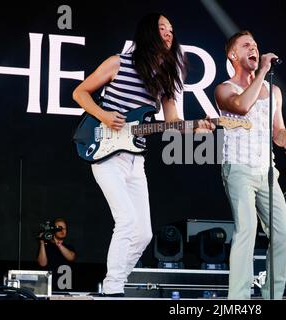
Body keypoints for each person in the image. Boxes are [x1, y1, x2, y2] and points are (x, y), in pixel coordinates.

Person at [72, 13, 214, 297]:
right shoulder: (118, 62)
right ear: (148, 33)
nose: (169, 33)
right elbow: (80, 92)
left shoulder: (165, 79)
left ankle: (114, 284)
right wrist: (103, 114)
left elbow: (173, 123)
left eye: (172, 29)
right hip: (104, 151)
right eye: (162, 28)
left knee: (144, 233)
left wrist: (199, 128)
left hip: (136, 159)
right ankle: (113, 290)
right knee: (125, 220)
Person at [214, 30, 286, 299]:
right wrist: (262, 70)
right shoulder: (225, 88)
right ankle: (238, 299)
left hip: (267, 172)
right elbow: (240, 106)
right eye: (246, 45)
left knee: (284, 234)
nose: (254, 48)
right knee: (247, 229)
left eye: (255, 44)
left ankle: (271, 296)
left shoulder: (273, 91)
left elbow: (278, 130)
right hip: (238, 168)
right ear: (233, 55)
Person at [37, 218, 76, 291]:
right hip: (48, 290)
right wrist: (42, 242)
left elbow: (71, 257)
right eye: (59, 228)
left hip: (65, 290)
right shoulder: (46, 247)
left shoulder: (69, 247)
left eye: (64, 228)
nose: (62, 230)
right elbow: (42, 263)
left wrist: (57, 243)